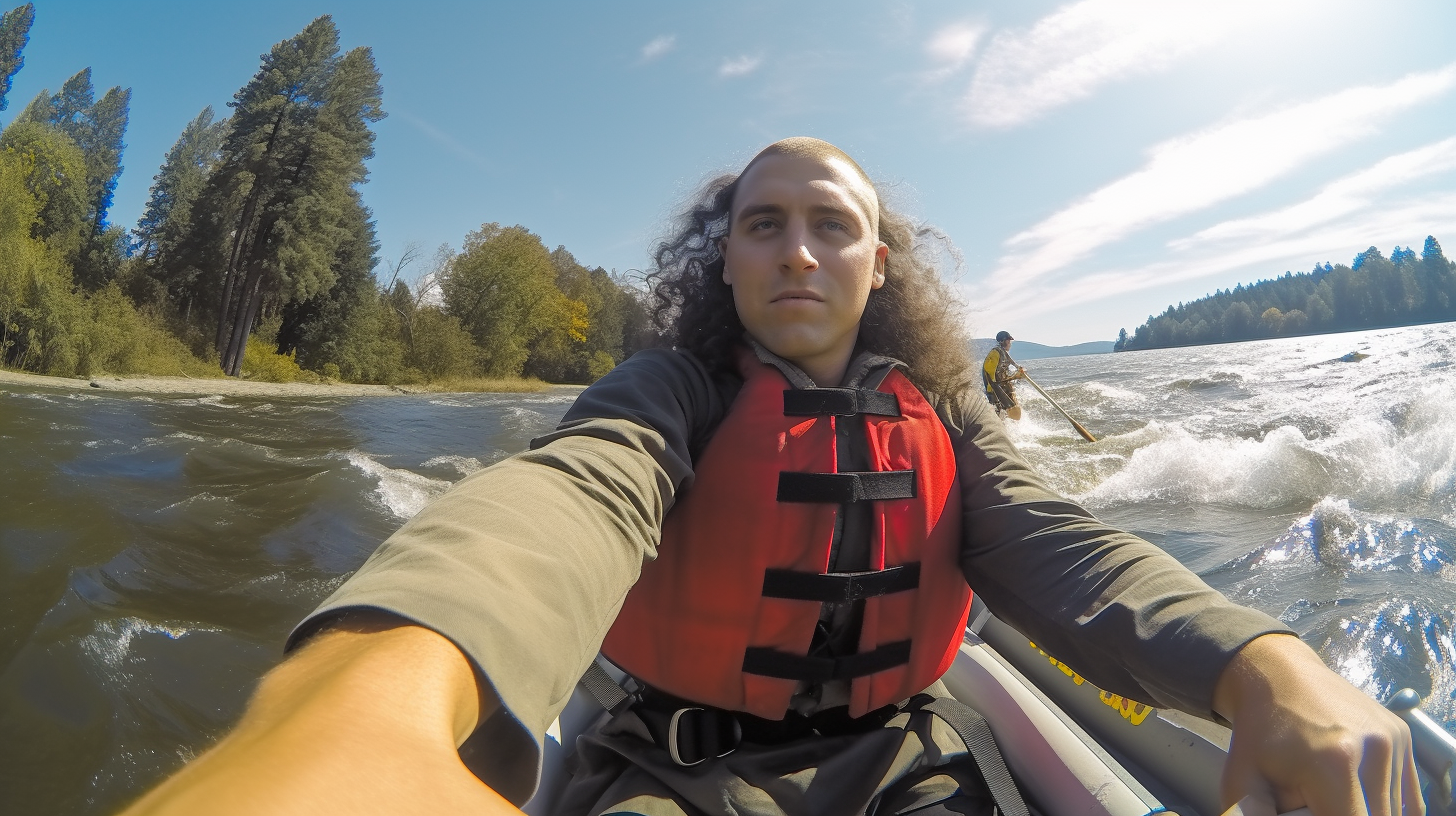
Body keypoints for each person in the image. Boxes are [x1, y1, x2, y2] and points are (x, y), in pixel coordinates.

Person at [119, 139, 1420, 816]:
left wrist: (1264, 662)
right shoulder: (670, 392)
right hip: (678, 769)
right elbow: (567, 502)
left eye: (830, 226)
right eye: (764, 224)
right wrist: (370, 690)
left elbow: (1054, 544)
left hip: (905, 757)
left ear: (876, 266)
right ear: (725, 262)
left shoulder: (946, 414)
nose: (798, 251)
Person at [982, 331, 1023, 419]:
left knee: (1013, 413)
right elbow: (989, 372)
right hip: (994, 390)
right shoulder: (995, 353)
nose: (1010, 344)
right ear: (1002, 341)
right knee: (1001, 413)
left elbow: (1013, 365)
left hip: (1002, 386)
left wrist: (1019, 372)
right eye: (1008, 341)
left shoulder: (1003, 352)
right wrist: (991, 390)